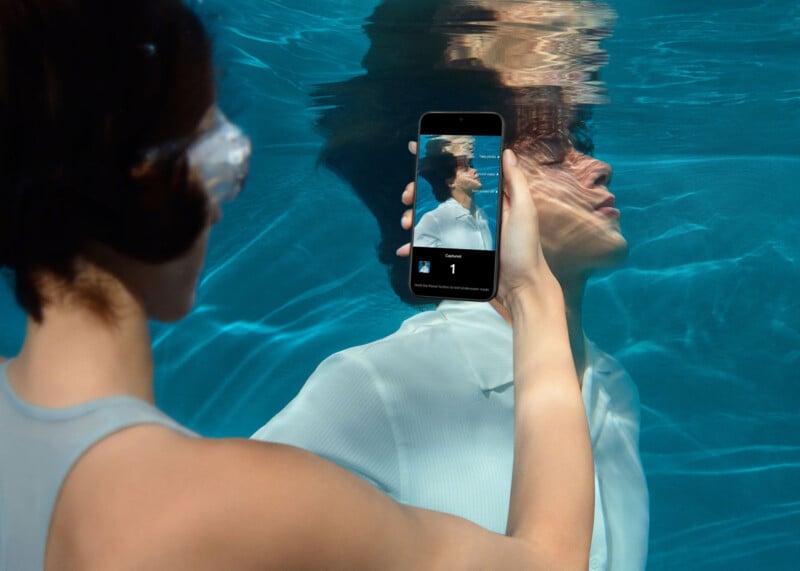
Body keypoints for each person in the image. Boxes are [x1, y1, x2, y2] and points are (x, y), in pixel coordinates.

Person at [0, 1, 594, 569]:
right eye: (222, 157)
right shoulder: (255, 504)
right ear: (159, 177)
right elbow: (550, 560)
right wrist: (528, 289)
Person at [253, 1, 649, 570]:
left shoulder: (612, 384)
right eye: (549, 151)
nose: (598, 165)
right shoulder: (379, 385)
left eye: (578, 142)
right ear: (480, 196)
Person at [413, 135, 494, 250]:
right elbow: (422, 264)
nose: (474, 170)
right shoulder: (434, 219)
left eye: (470, 165)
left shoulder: (481, 214)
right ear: (450, 182)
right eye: (465, 169)